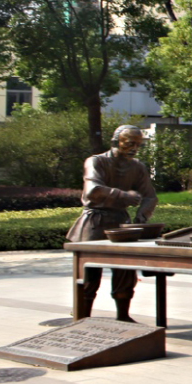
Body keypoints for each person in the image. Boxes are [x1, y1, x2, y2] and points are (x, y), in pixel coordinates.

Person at [66, 124, 157, 322]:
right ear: (116, 141)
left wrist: (141, 216)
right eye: (130, 143)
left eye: (138, 144)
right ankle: (82, 317)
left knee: (125, 272)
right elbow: (93, 190)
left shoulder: (137, 167)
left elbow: (150, 196)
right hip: (94, 222)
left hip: (120, 223)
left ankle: (123, 316)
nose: (134, 148)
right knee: (89, 275)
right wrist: (124, 195)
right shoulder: (96, 161)